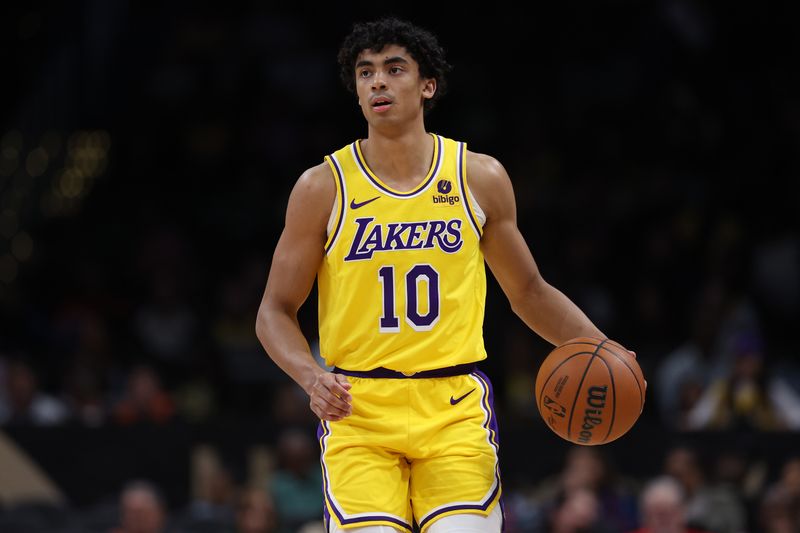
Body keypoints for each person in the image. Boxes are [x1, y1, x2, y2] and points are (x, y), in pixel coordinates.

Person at [255, 16, 617, 533]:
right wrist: (311, 377)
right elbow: (273, 311)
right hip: (358, 411)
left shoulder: (478, 177)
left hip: (452, 409)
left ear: (428, 86)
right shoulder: (322, 188)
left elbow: (530, 292)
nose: (377, 81)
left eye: (394, 68)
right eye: (365, 72)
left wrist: (603, 348)